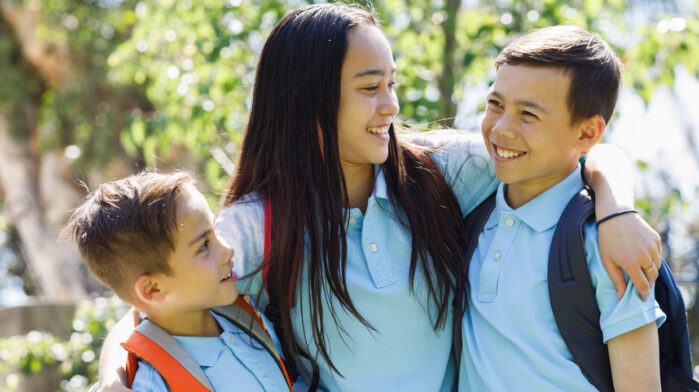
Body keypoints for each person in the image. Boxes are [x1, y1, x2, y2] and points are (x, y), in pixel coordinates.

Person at [95, 4, 662, 392]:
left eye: (391, 83)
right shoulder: (259, 227)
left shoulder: (439, 171)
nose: (390, 105)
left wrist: (617, 208)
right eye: (369, 88)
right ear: (308, 105)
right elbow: (154, 300)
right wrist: (112, 377)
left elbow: (575, 153)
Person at [459, 26, 665, 391]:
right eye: (496, 104)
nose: (501, 129)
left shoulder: (607, 246)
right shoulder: (473, 207)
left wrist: (616, 211)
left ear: (586, 133)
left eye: (528, 115)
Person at [65, 171, 293, 391]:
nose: (229, 250)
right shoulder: (153, 384)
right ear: (153, 289)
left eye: (215, 232)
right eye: (204, 246)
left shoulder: (241, 315)